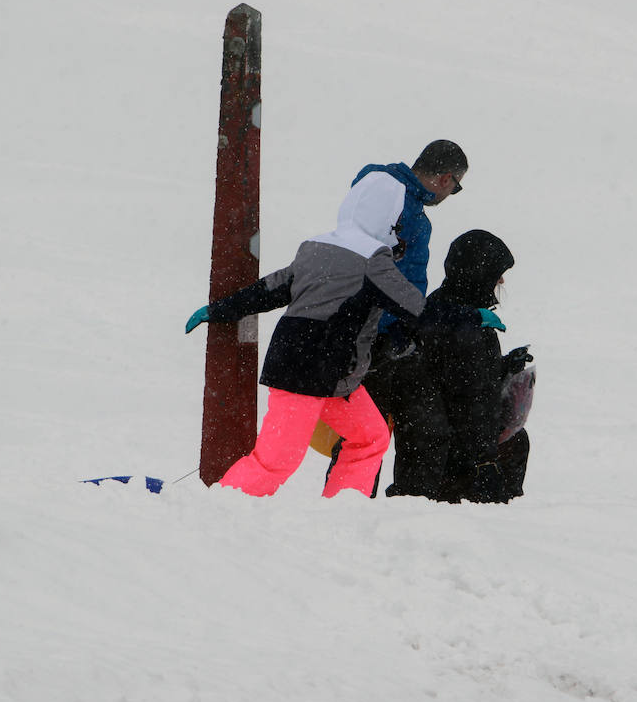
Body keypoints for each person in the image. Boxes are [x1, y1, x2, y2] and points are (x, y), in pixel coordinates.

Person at [184, 169, 501, 498]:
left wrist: (219, 309)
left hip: (329, 373)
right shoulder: (372, 261)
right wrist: (469, 317)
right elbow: (416, 309)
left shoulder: (316, 247)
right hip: (306, 374)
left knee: (370, 437)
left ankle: (341, 511)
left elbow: (271, 288)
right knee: (276, 461)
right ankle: (221, 510)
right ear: (389, 219)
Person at [353, 141, 470, 491]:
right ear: (448, 179)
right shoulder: (398, 202)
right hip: (377, 338)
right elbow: (383, 273)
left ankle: (401, 505)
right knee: (366, 437)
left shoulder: (386, 192)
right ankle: (353, 507)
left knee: (417, 430)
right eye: (457, 186)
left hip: (392, 337)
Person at [383, 230, 531, 503]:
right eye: (496, 273)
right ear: (479, 274)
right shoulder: (468, 326)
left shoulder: (441, 307)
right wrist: (485, 465)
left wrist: (503, 367)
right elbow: (473, 402)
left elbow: (457, 380)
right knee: (517, 443)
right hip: (452, 464)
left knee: (515, 441)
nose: (501, 280)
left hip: (428, 455)